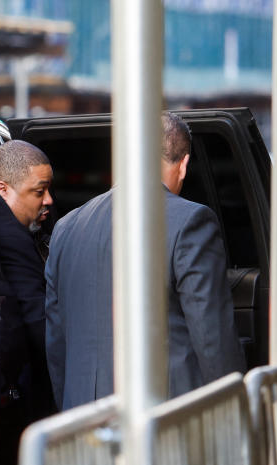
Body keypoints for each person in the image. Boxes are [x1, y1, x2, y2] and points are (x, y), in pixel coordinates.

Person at [45, 112, 247, 411]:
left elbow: (56, 343)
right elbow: (211, 338)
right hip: (164, 422)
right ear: (184, 165)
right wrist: (236, 409)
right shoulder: (191, 221)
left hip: (84, 423)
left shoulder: (66, 228)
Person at [0, 140, 57, 422]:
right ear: (3, 190)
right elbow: (37, 322)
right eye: (39, 191)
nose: (48, 199)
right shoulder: (9, 235)